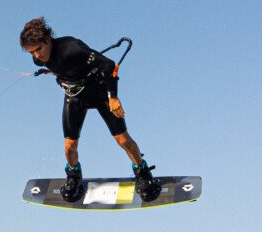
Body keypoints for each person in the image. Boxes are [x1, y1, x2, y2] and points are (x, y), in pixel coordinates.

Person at [19, 17, 159, 202]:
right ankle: (74, 177)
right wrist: (53, 71)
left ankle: (142, 172)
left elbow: (108, 65)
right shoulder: (38, 60)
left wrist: (113, 97)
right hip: (75, 98)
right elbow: (60, 66)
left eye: (38, 50)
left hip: (100, 94)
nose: (37, 55)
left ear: (47, 40)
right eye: (32, 52)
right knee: (69, 147)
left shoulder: (72, 48)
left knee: (123, 139)